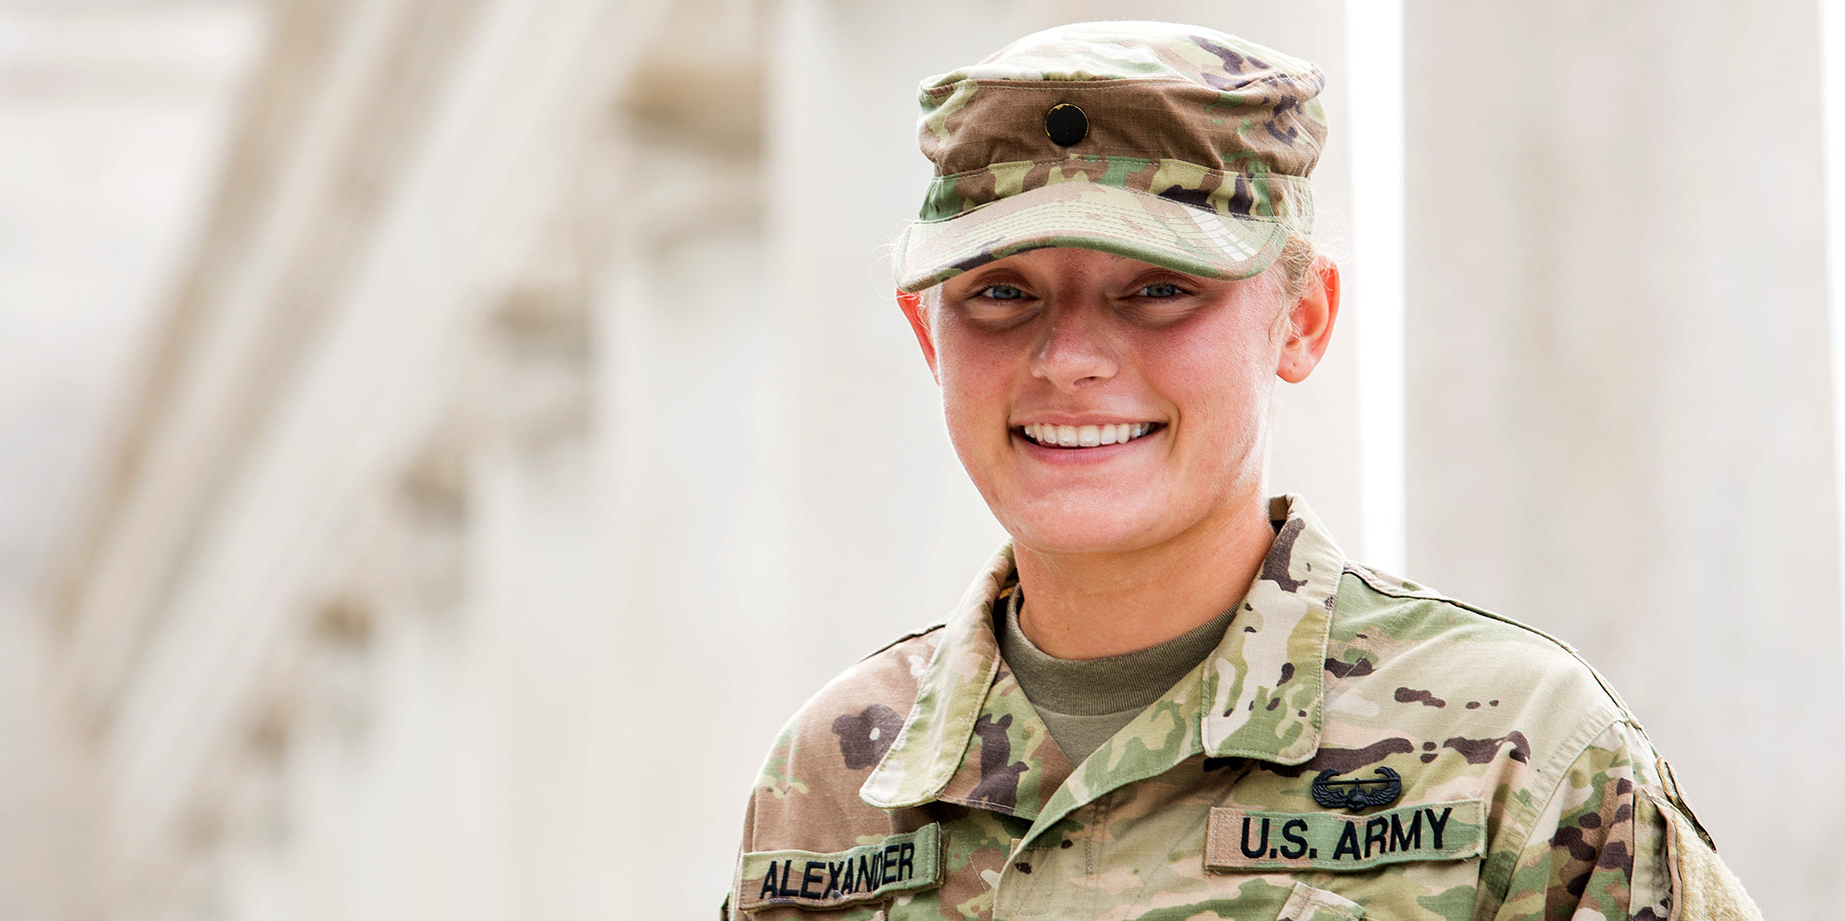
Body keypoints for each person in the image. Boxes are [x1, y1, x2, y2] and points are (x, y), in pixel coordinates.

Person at [723, 21, 1761, 921]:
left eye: (1159, 288)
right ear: (925, 335)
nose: (1070, 357)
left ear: (1300, 321)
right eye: (1001, 293)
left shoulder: (1517, 754)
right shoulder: (829, 780)